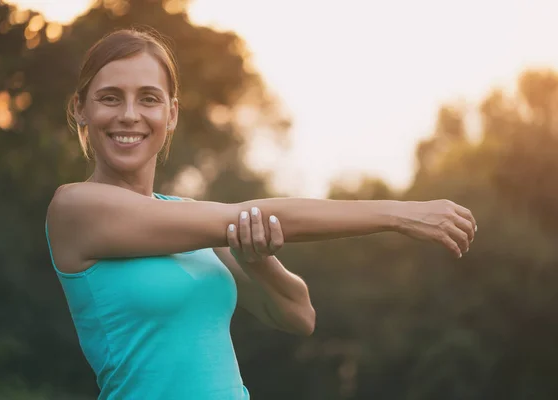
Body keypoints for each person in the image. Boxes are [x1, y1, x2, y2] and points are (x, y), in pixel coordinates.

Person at [45, 27, 477, 400]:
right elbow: (250, 215)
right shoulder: (76, 209)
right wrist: (397, 214)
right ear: (81, 108)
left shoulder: (191, 219)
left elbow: (298, 315)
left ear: (171, 114)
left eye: (149, 99)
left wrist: (258, 258)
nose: (129, 115)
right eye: (110, 98)